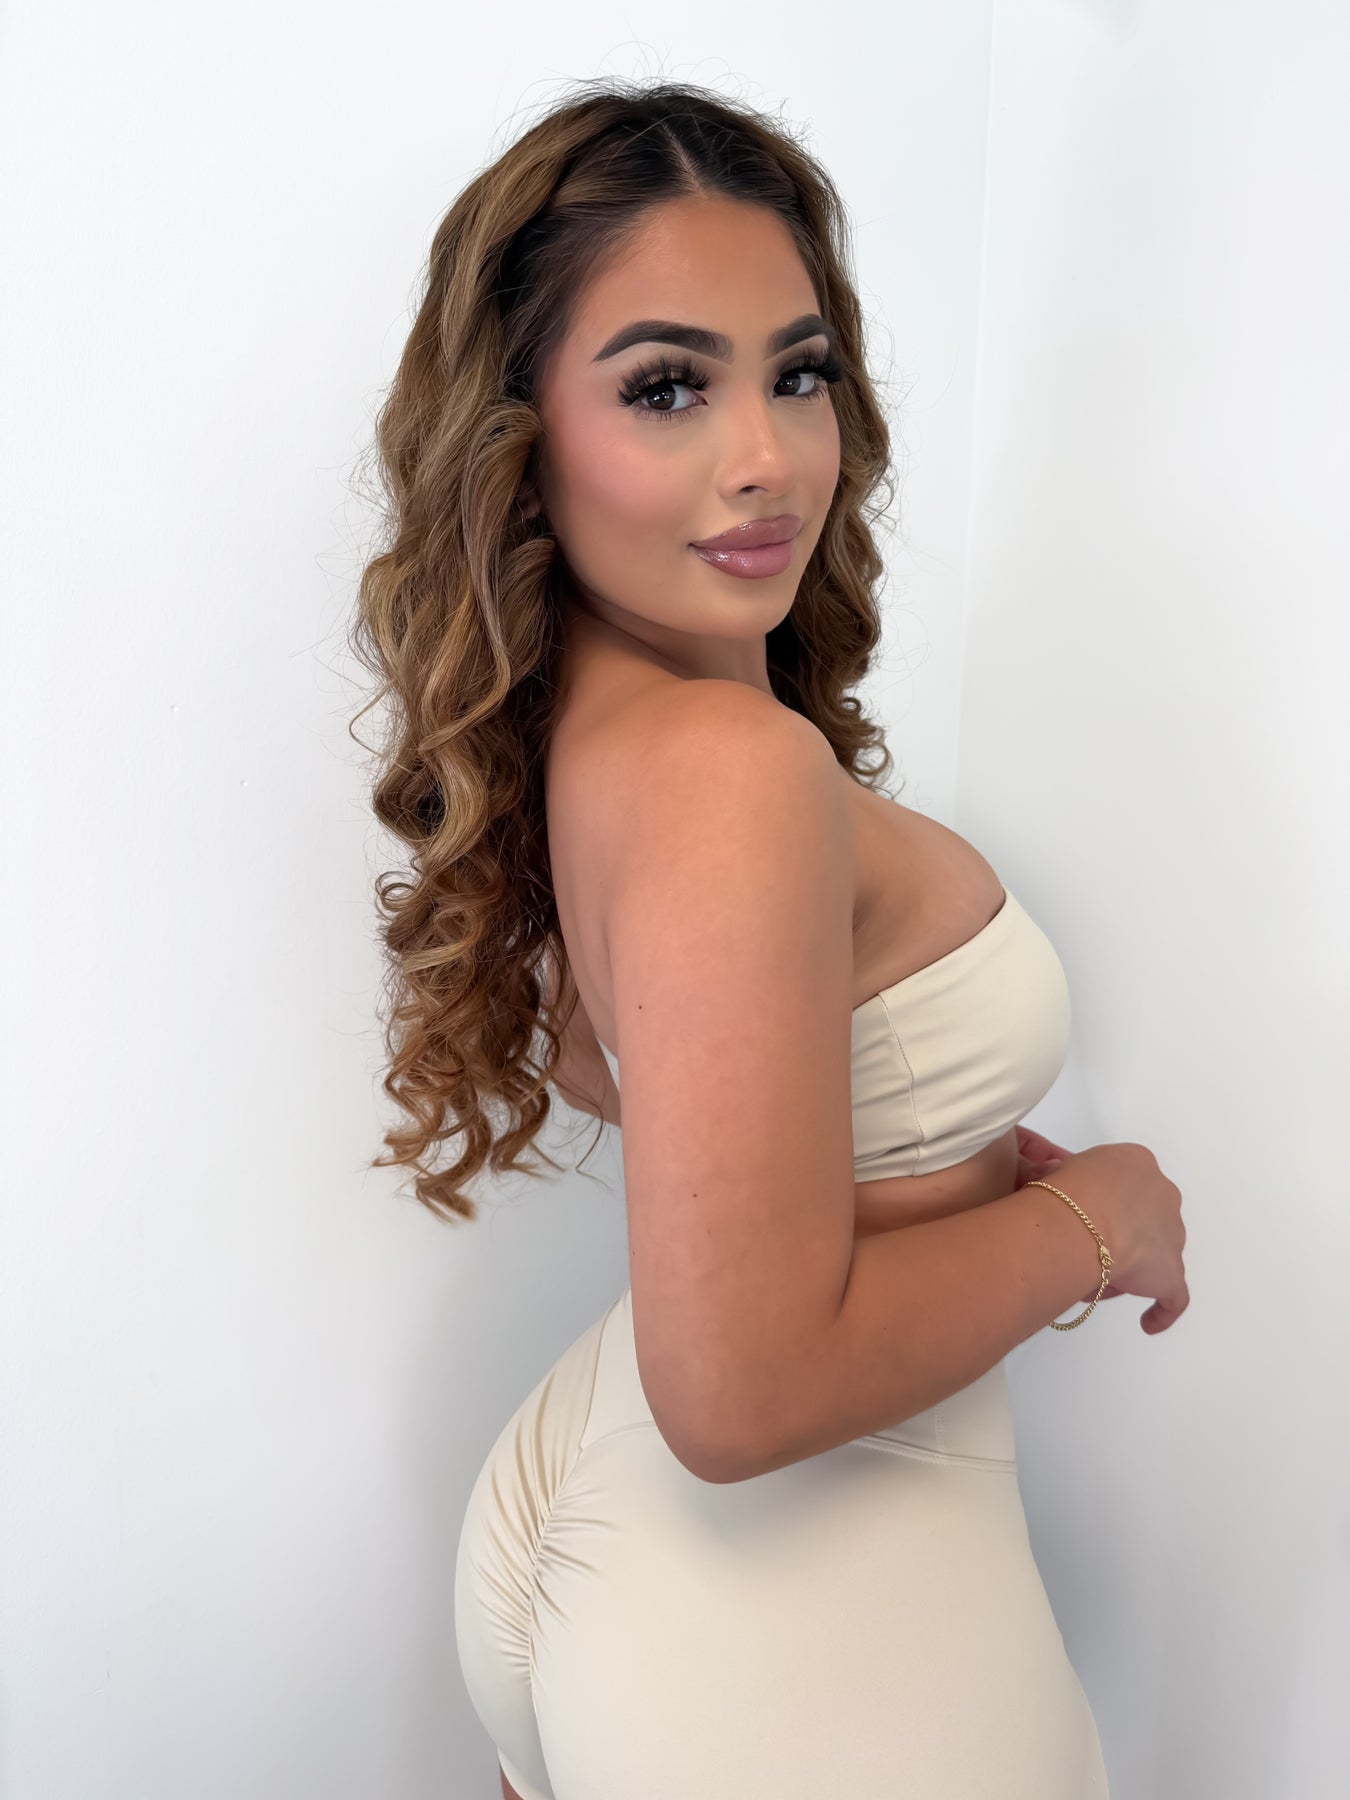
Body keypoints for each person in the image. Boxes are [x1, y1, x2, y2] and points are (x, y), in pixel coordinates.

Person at [349, 77, 1189, 1800]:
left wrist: (926, 1152)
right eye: (665, 386)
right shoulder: (729, 771)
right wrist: (1098, 1223)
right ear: (518, 436)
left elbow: (691, 1090)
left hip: (640, 1553)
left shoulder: (582, 733)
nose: (766, 458)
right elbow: (738, 1391)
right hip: (791, 1615)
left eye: (794, 373)